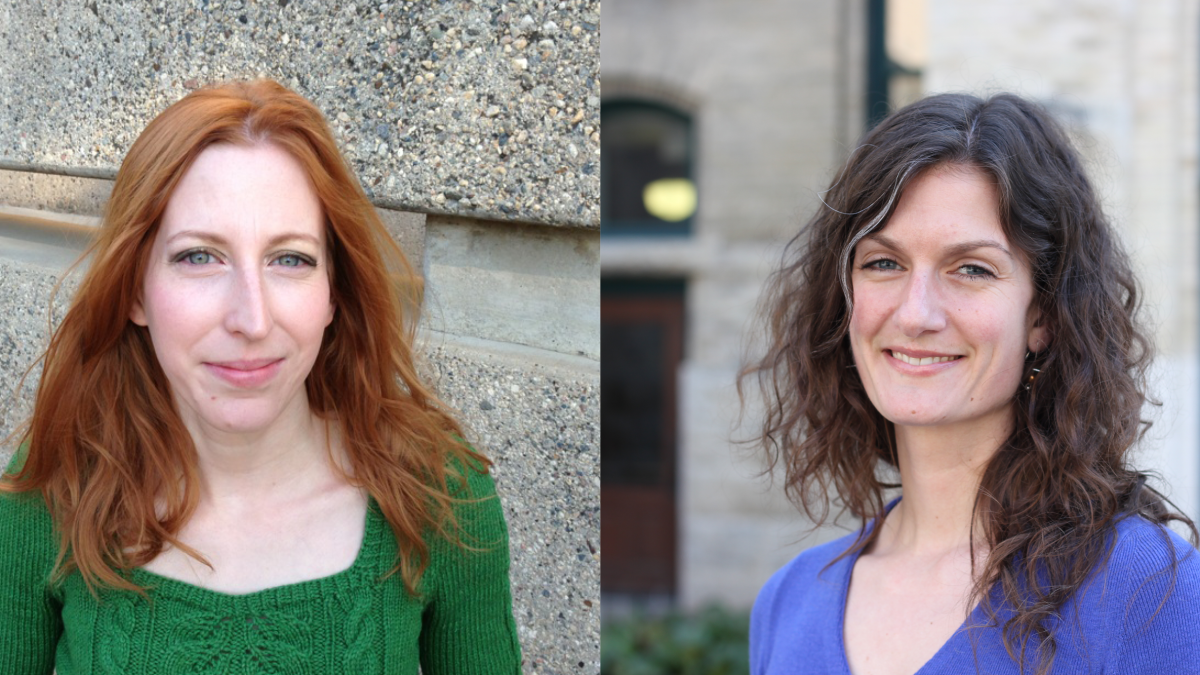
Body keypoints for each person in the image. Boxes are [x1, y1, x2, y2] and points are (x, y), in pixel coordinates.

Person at [0, 80, 521, 674]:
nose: (252, 319)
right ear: (134, 291)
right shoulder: (55, 485)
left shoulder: (439, 493)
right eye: (199, 256)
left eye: (290, 259)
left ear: (333, 293)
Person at [741, 92, 1200, 674]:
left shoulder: (1146, 591)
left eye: (972, 269)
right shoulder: (788, 601)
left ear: (1043, 316)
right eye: (883, 262)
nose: (915, 314)